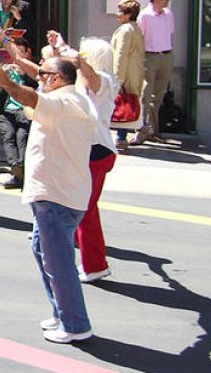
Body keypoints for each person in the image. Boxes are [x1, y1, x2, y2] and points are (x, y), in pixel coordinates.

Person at [0, 57, 96, 343]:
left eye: (43, 73)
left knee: (59, 263)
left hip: (57, 197)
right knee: (43, 253)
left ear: (58, 78)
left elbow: (30, 98)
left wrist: (5, 82)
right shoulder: (63, 101)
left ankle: (75, 324)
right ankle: (62, 312)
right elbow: (32, 102)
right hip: (51, 195)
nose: (39, 77)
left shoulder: (66, 103)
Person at [70, 38, 119, 284]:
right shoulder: (84, 81)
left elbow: (89, 75)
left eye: (84, 54)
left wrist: (74, 57)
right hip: (86, 149)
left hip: (97, 151)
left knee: (86, 209)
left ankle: (95, 265)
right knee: (80, 206)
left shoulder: (104, 80)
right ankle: (83, 251)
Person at [0, 35, 38, 189]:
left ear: (27, 54)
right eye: (14, 53)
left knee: (22, 136)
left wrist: (23, 74)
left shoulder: (32, 71)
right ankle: (16, 168)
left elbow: (37, 88)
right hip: (5, 111)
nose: (16, 57)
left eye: (20, 53)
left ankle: (20, 170)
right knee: (8, 135)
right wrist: (1, 76)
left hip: (24, 109)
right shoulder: (5, 68)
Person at [134, 0, 173, 144]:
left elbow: (169, 33)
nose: (168, 1)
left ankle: (153, 130)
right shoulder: (144, 16)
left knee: (158, 95)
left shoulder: (169, 14)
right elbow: (139, 38)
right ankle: (141, 130)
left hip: (166, 55)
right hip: (149, 57)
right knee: (145, 94)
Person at [110, 0, 145, 150]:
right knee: (129, 101)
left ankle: (122, 137)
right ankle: (140, 127)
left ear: (128, 14)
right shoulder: (134, 28)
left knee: (123, 102)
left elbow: (121, 55)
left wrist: (118, 78)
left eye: (120, 12)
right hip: (134, 72)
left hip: (127, 73)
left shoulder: (125, 31)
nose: (117, 14)